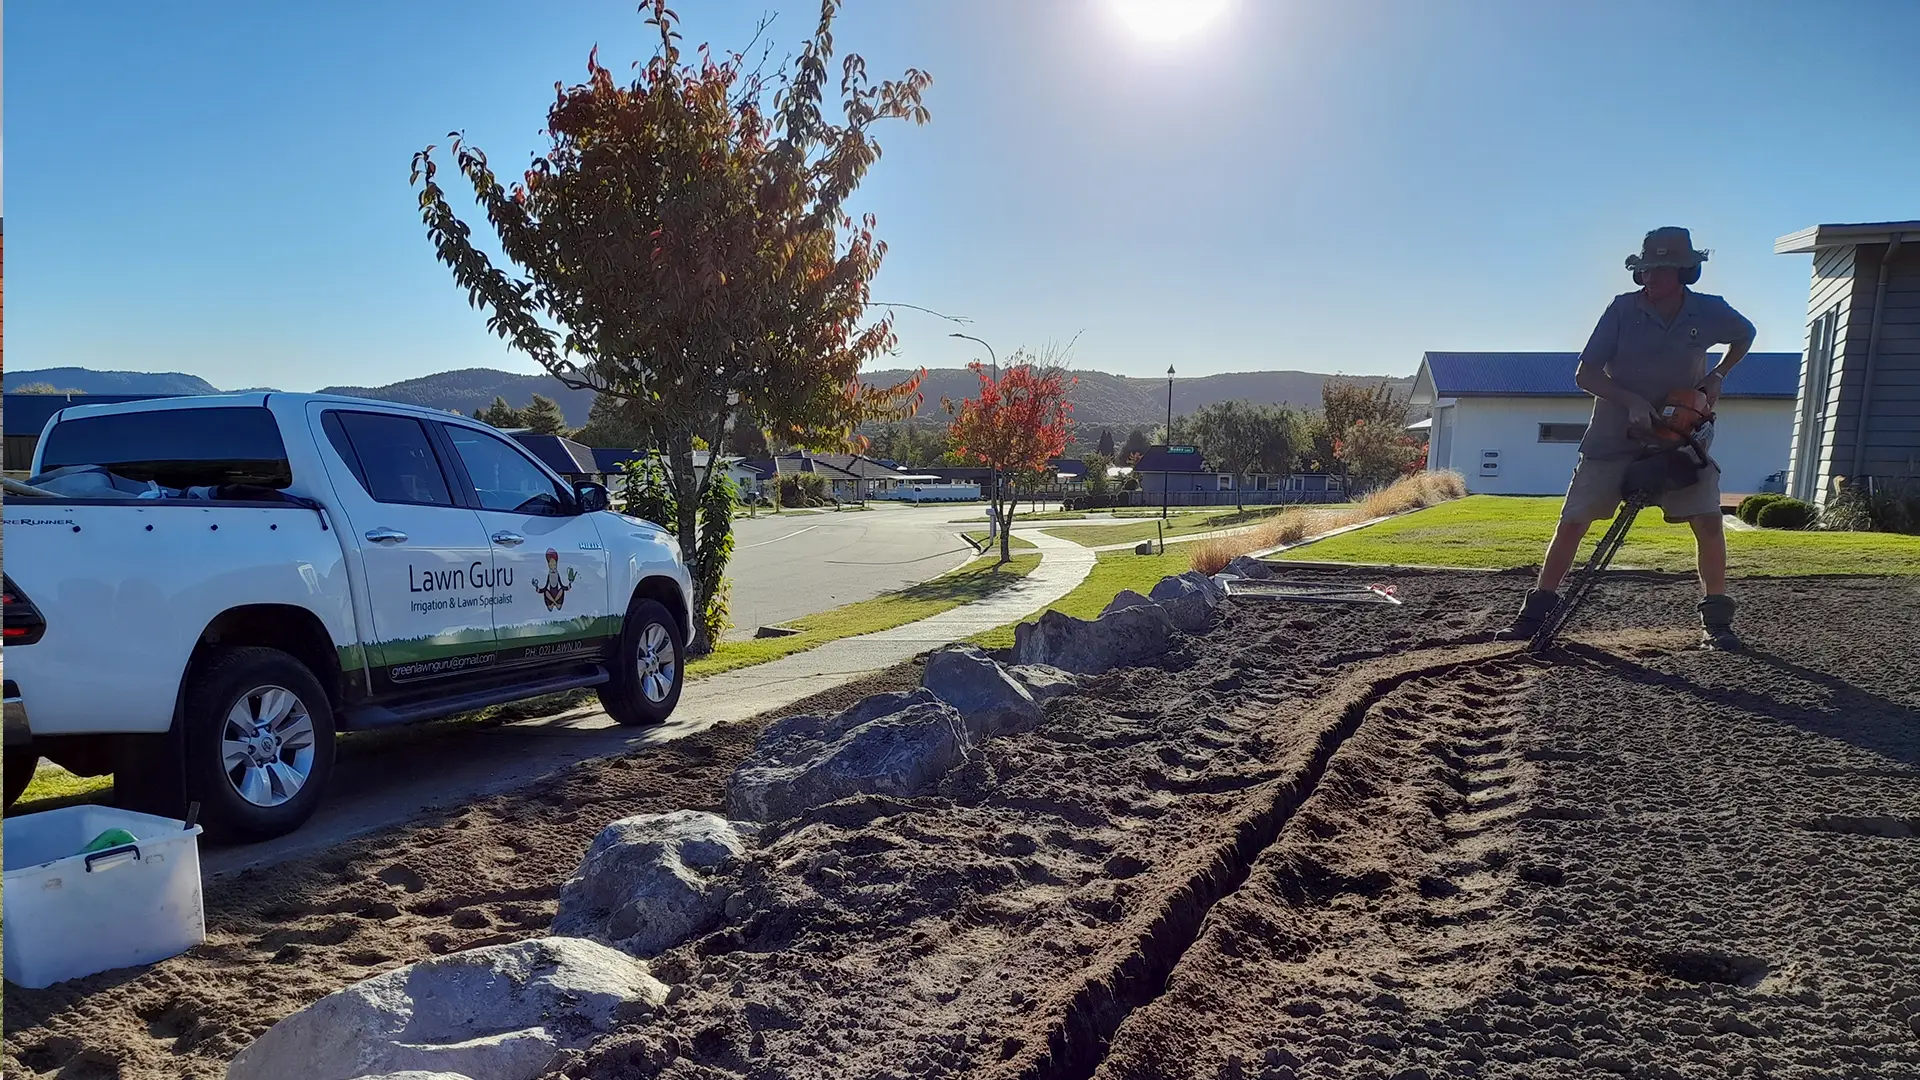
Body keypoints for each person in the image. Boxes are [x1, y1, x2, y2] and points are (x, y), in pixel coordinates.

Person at [1503, 227, 1756, 649]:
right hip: (1612, 436)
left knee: (1709, 522)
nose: (1650, 277)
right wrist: (1630, 400)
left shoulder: (1709, 311)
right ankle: (1534, 614)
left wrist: (1717, 374)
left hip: (1680, 437)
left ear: (1683, 271)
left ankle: (1717, 622)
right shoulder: (1621, 310)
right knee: (1573, 522)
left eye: (1661, 269)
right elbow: (1585, 373)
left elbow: (1745, 334)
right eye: (1645, 269)